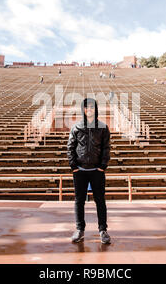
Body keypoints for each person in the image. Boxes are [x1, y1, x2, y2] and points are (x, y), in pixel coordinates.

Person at [67, 98, 111, 245]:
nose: (89, 109)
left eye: (92, 107)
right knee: (79, 201)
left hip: (97, 171)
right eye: (86, 107)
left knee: (100, 201)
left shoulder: (103, 127)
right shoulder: (76, 127)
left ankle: (103, 230)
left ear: (96, 109)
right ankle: (80, 229)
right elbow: (70, 147)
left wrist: (102, 166)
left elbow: (106, 148)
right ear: (83, 109)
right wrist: (73, 167)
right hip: (80, 170)